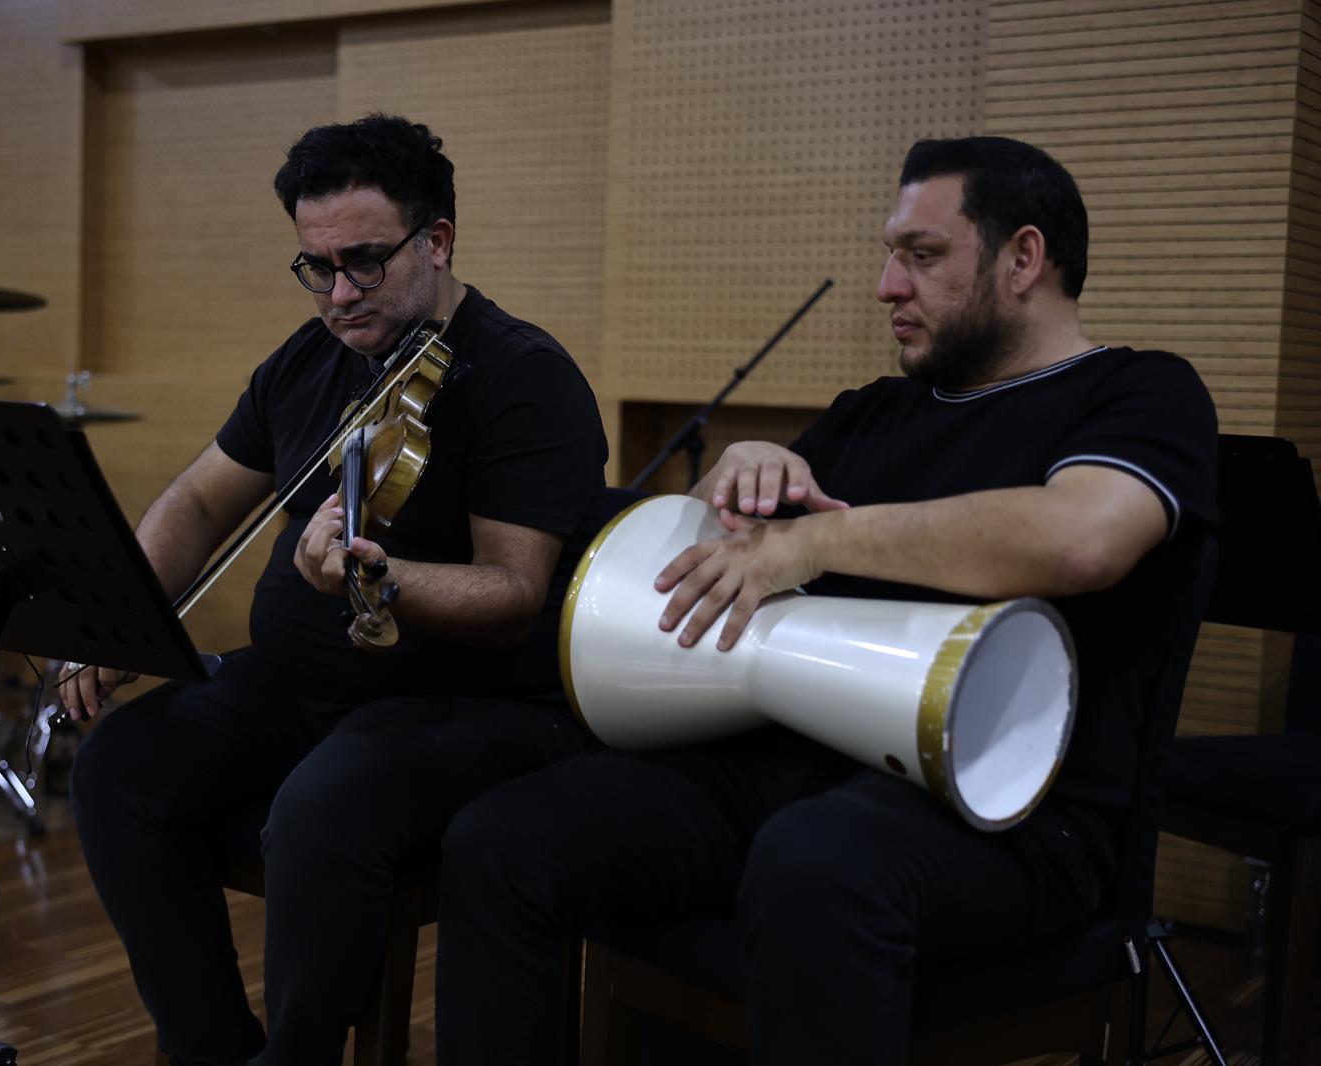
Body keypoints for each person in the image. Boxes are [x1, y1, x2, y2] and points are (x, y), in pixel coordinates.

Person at [435, 136, 1219, 1064]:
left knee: (818, 862)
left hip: (1013, 807)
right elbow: (681, 579)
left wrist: (815, 539)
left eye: (922, 255)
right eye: (892, 254)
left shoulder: (1143, 392)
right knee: (502, 839)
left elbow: (1080, 538)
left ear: (1024, 259)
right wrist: (731, 484)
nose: (889, 285)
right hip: (791, 770)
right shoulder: (872, 412)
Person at [64, 114, 606, 1066]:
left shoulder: (524, 377)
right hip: (296, 688)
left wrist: (385, 581)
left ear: (436, 241)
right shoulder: (312, 359)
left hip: (464, 704)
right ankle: (211, 1048)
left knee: (321, 810)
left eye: (364, 262)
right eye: (316, 267)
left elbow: (514, 592)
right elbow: (197, 499)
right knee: (120, 765)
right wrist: (118, 618)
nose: (340, 295)